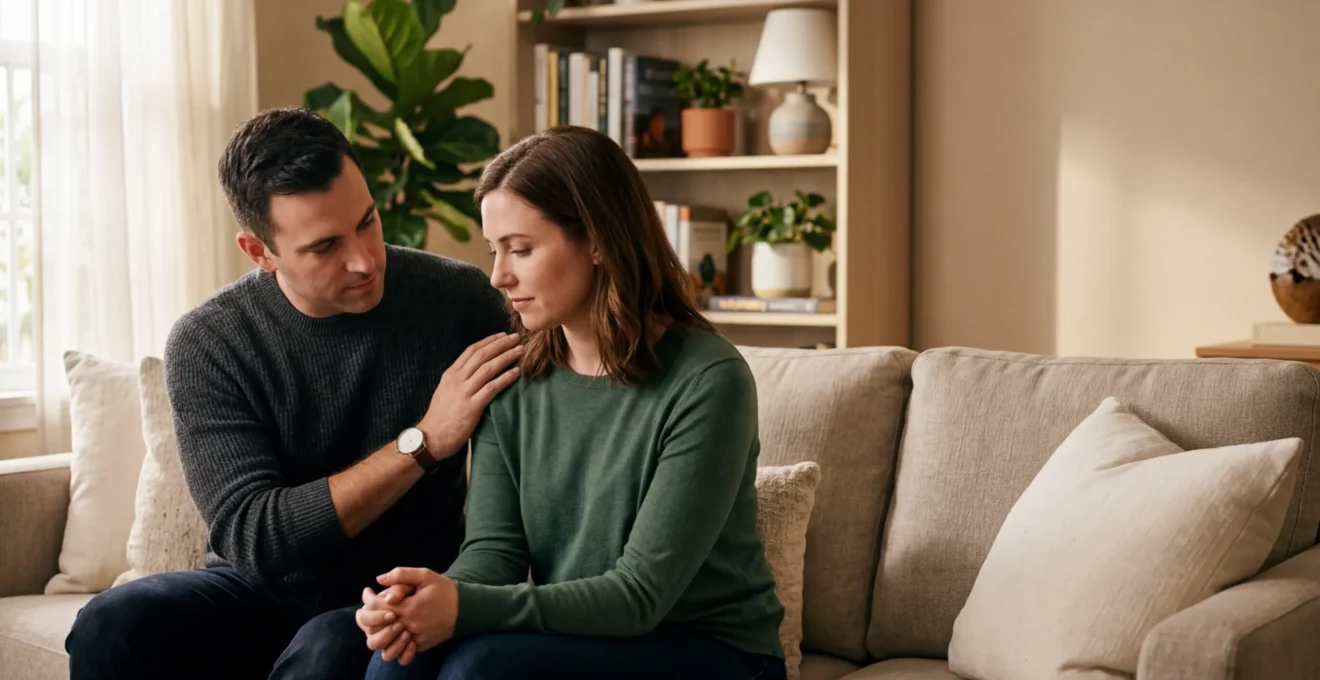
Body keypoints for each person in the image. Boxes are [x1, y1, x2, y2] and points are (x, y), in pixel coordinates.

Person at [63, 107, 520, 679]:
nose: (364, 258)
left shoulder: (458, 300)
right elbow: (256, 537)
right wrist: (422, 442)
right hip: (257, 593)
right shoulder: (209, 341)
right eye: (325, 246)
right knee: (112, 622)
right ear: (260, 252)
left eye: (368, 221)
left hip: (394, 591)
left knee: (325, 650)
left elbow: (555, 399)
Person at [354, 125, 789, 680]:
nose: (498, 276)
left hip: (712, 651)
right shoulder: (512, 379)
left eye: (521, 249)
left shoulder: (709, 381)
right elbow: (494, 555)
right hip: (586, 639)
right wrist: (422, 604)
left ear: (599, 240)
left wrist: (464, 609)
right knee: (399, 659)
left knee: (481, 668)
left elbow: (639, 596)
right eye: (495, 250)